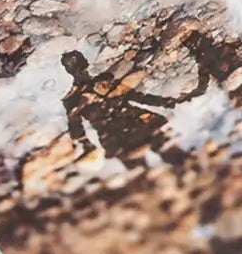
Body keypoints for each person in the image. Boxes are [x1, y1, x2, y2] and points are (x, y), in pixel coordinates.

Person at [59, 50, 187, 169]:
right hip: (112, 109)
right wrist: (164, 102)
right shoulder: (158, 122)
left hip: (107, 118)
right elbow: (136, 98)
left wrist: (163, 102)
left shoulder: (126, 148)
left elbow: (135, 97)